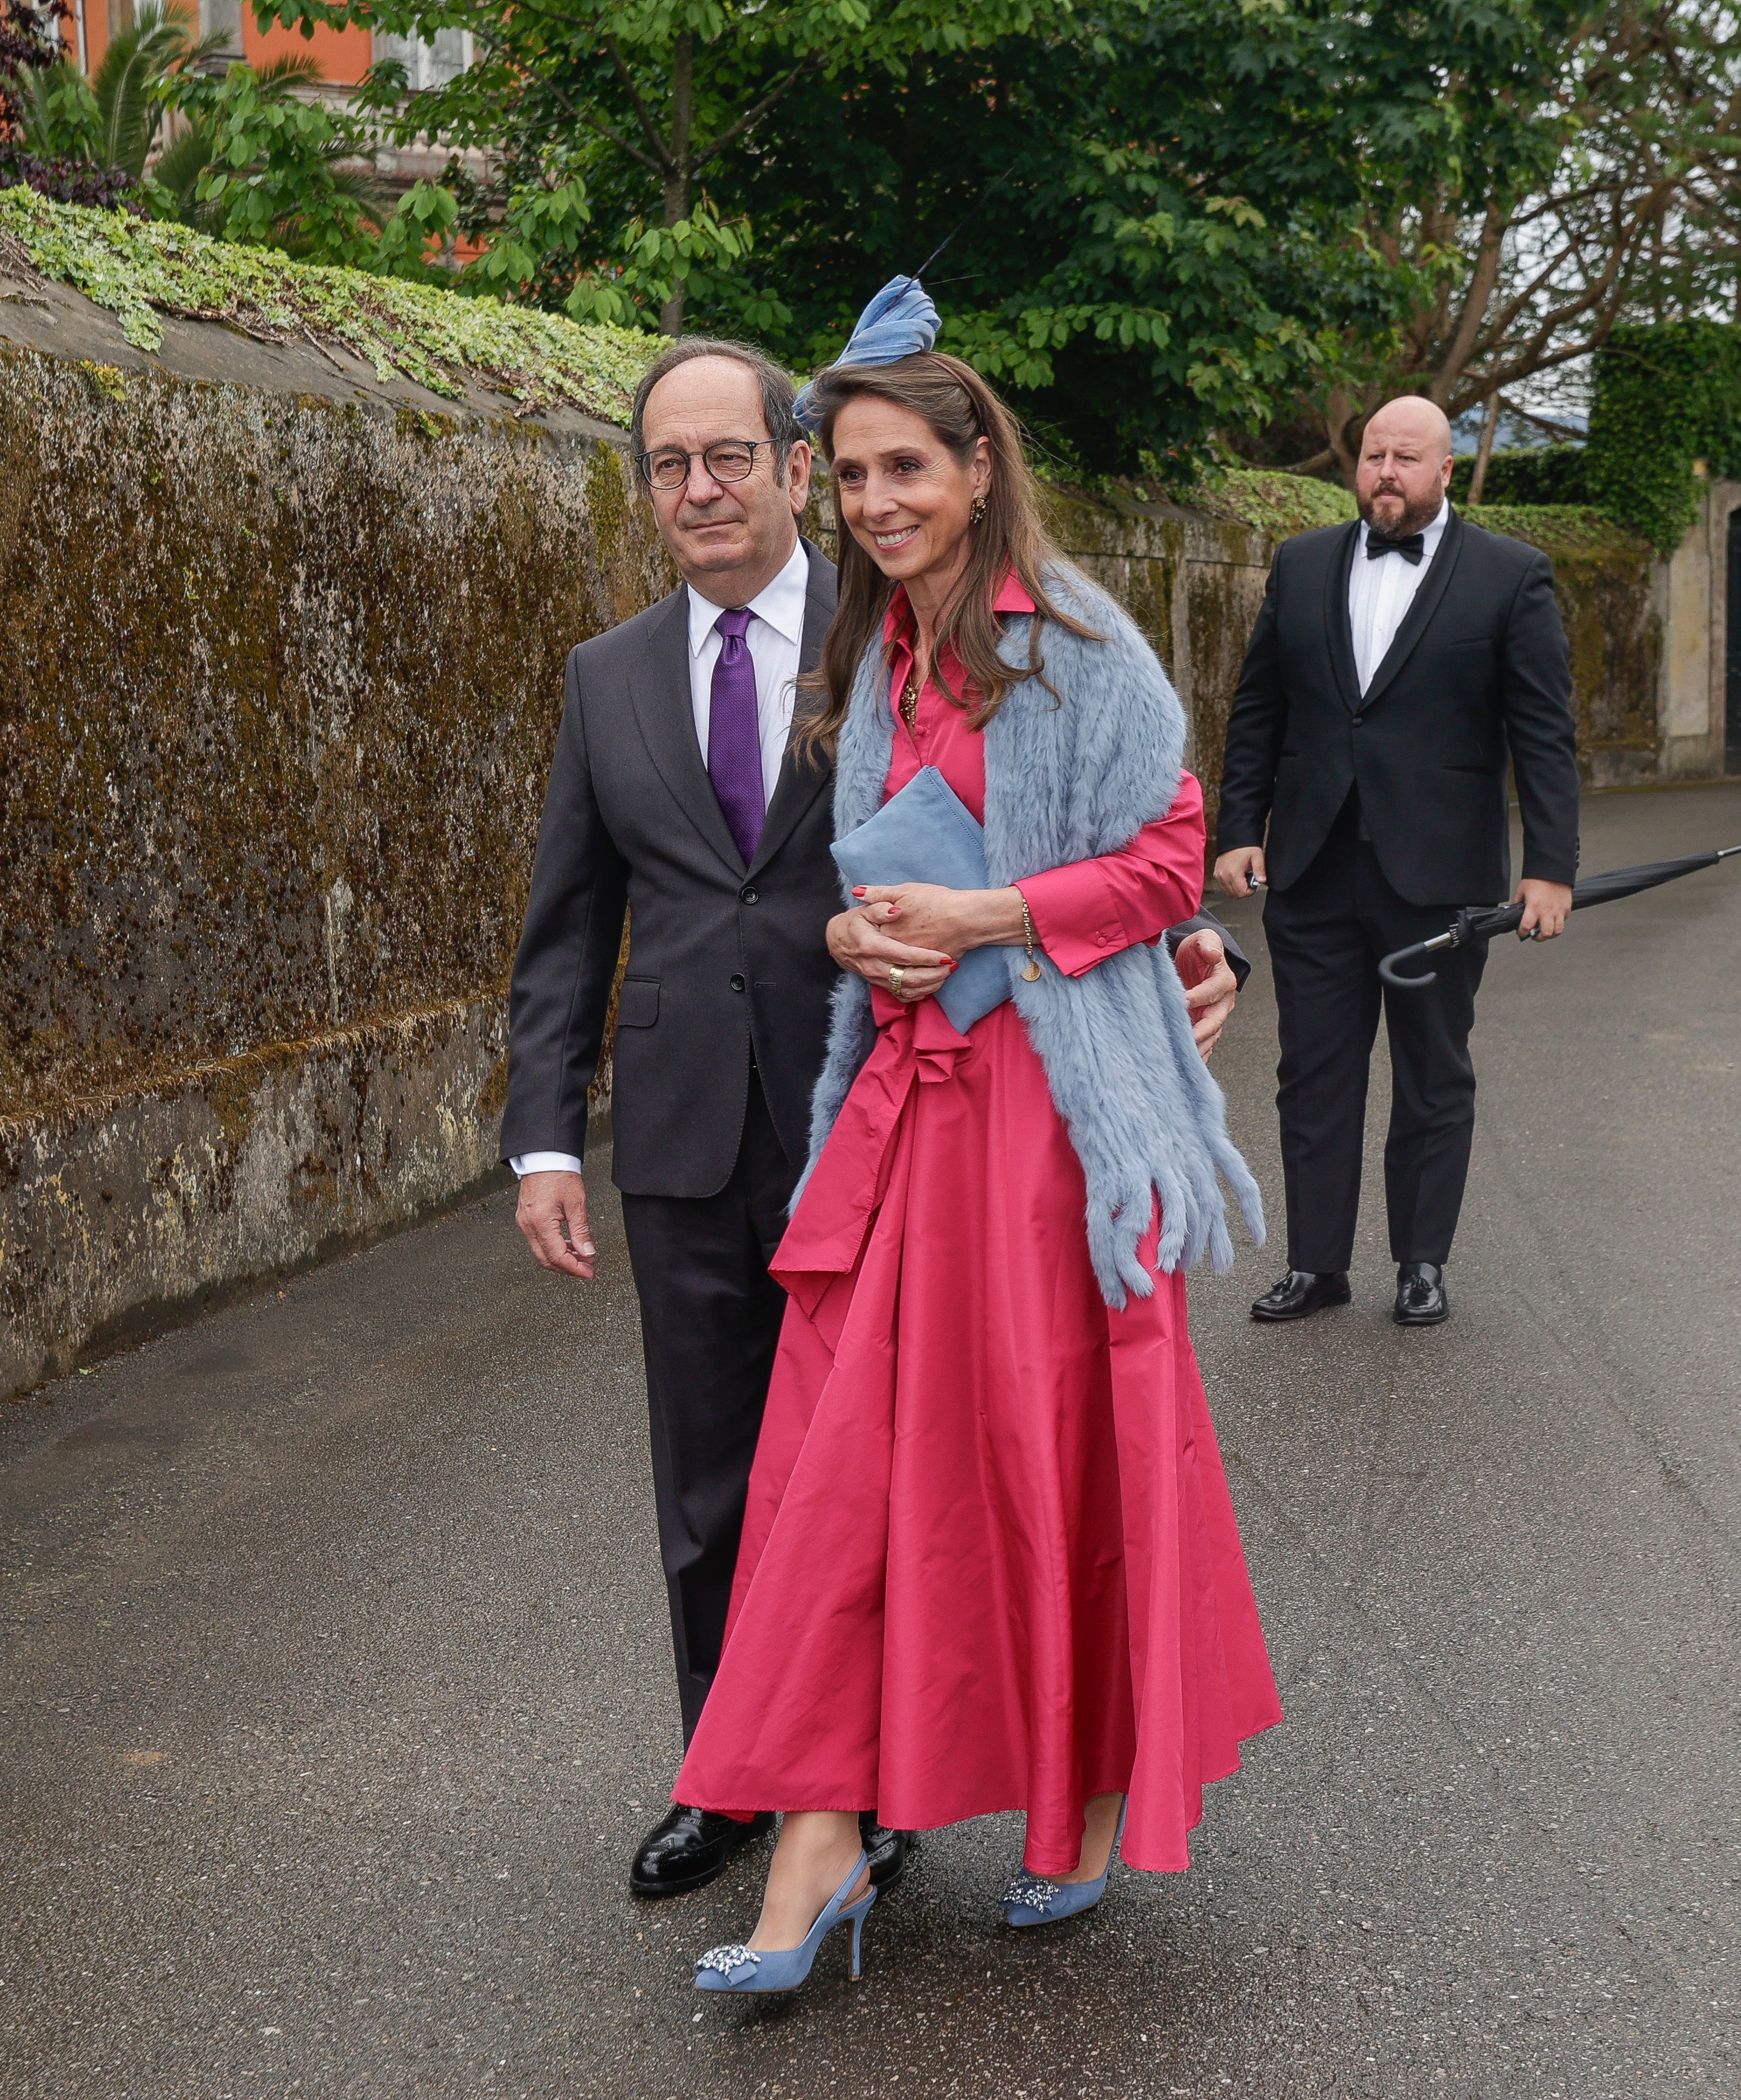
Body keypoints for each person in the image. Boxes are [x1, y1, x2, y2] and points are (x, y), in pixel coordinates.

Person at [500, 335, 1245, 1906]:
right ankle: (737, 1781)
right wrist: (547, 1140)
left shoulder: (907, 634)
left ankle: (881, 1793)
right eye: (667, 466)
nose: (701, 489)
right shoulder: (616, 675)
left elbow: (1105, 817)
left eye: (735, 457)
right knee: (723, 1484)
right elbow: (566, 925)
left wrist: (1183, 949)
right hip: (705, 1126)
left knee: (918, 1467)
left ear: (786, 469)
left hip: (909, 1125)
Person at [668, 311, 1281, 1998]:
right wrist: (867, 945)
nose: (875, 500)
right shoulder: (882, 659)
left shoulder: (1075, 639)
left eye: (906, 469)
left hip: (1044, 1130)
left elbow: (1168, 862)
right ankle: (823, 1834)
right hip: (910, 1108)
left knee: (1047, 1456)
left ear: (978, 467)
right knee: (861, 1466)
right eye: (853, 473)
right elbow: (873, 892)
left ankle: (1070, 1803)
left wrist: (997, 911)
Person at [1210, 395, 1580, 1329]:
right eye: (1373, 454)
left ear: (1446, 471)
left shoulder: (1511, 576)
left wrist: (1552, 866)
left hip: (1441, 875)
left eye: (1405, 457)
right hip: (1312, 865)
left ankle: (1421, 1261)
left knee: (1432, 1071)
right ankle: (1316, 1264)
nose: (1384, 472)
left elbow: (1543, 733)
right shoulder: (1300, 565)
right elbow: (1259, 711)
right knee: (1314, 1072)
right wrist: (1237, 826)